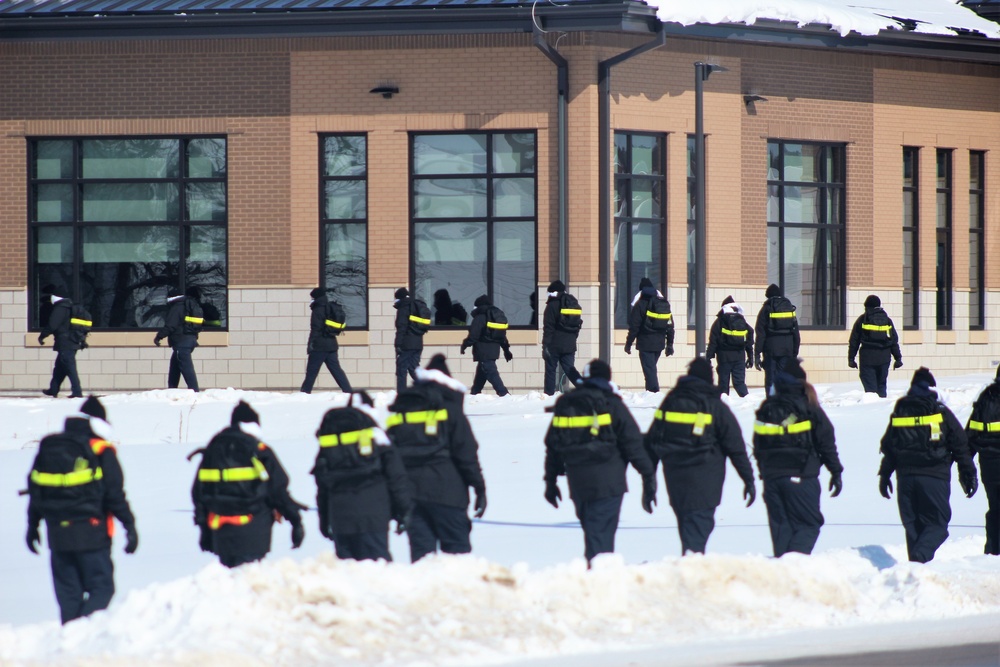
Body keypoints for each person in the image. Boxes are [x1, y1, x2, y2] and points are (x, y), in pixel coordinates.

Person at [25, 396, 138, 624]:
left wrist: (32, 526)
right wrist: (129, 526)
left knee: (69, 596)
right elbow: (114, 494)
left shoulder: (53, 448)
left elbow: (37, 489)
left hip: (56, 533)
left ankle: (69, 644)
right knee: (102, 588)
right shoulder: (100, 450)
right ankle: (83, 636)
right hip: (92, 532)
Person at [543, 359, 657, 563]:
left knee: (593, 532)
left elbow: (553, 445)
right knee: (600, 537)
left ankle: (596, 575)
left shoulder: (567, 403)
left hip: (578, 482)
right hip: (609, 483)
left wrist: (550, 482)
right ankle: (599, 578)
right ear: (607, 378)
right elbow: (633, 445)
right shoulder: (612, 404)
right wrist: (648, 478)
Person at [645, 358, 756, 554]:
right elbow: (735, 447)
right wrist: (748, 479)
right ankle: (692, 571)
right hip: (706, 480)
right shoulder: (714, 406)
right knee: (696, 533)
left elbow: (652, 442)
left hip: (675, 478)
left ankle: (690, 566)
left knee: (687, 527)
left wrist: (649, 482)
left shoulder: (670, 402)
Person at [386, 354, 487, 562]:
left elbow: (389, 459)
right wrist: (479, 488)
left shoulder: (401, 411)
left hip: (412, 496)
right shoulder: (451, 410)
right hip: (449, 494)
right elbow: (466, 454)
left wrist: (396, 500)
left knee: (422, 560)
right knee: (457, 559)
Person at [878, 367, 978, 563]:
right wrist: (968, 474)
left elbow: (890, 445)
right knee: (937, 525)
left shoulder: (900, 410)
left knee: (913, 527)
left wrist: (884, 475)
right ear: (932, 389)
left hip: (905, 479)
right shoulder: (940, 411)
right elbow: (960, 445)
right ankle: (919, 560)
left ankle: (916, 572)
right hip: (935, 477)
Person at [191, 401, 305, 568]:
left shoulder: (214, 449)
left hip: (221, 534)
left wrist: (204, 529)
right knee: (250, 584)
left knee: (230, 585)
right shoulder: (258, 449)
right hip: (255, 533)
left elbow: (198, 493)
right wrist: (295, 521)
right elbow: (278, 490)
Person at [752, 358, 843, 557]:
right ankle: (794, 566)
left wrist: (765, 472)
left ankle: (784, 572)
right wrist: (835, 471)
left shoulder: (766, 408)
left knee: (781, 528)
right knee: (809, 524)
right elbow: (826, 442)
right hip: (801, 475)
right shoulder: (809, 406)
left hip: (772, 478)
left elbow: (758, 445)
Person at [312, 391, 413, 561]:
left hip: (340, 516)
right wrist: (404, 510)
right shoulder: (377, 437)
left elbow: (322, 482)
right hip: (373, 516)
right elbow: (396, 477)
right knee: (375, 571)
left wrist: (324, 518)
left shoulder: (333, 438)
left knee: (347, 575)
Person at [967, 364, 1000, 555]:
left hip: (989, 464)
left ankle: (992, 550)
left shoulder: (986, 397)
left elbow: (971, 432)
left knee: (994, 508)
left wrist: (965, 464)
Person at [623, 277, 674, 393]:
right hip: (659, 344)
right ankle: (650, 392)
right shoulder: (662, 304)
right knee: (650, 369)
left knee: (649, 370)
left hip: (645, 344)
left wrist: (628, 343)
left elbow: (634, 327)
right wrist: (670, 344)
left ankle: (653, 393)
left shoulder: (640, 305)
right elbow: (670, 326)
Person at [847, 294, 903, 398]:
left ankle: (872, 408)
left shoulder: (862, 319)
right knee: (881, 385)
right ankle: (881, 407)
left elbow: (854, 340)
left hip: (868, 357)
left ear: (867, 306)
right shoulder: (887, 320)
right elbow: (894, 340)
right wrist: (898, 358)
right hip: (884, 357)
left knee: (870, 389)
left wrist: (851, 358)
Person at [300, 287, 352, 394]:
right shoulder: (329, 307)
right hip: (332, 344)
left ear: (316, 298)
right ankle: (348, 391)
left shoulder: (317, 310)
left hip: (319, 346)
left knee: (312, 371)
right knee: (337, 370)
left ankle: (304, 392)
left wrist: (311, 344)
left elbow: (316, 329)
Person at [461, 294, 513, 396]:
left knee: (491, 372)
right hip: (494, 350)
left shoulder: (480, 317)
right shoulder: (494, 317)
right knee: (481, 373)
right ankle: (475, 393)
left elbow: (474, 335)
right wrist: (506, 350)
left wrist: (465, 344)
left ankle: (503, 393)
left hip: (483, 350)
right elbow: (502, 337)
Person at [38, 285, 85, 399]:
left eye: (52, 296)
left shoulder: (61, 308)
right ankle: (53, 389)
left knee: (69, 367)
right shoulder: (68, 306)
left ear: (56, 297)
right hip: (69, 341)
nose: (51, 298)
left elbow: (53, 324)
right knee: (59, 367)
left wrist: (43, 335)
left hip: (65, 342)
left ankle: (77, 392)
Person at [154, 286, 203, 392]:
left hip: (181, 342)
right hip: (190, 339)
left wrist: (159, 336)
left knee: (186, 368)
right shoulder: (187, 305)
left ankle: (195, 391)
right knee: (175, 367)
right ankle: (172, 390)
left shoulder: (177, 307)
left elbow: (170, 325)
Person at [754, 284, 800, 396]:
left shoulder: (766, 308)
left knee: (770, 378)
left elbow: (760, 333)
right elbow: (795, 332)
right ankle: (783, 401)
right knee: (783, 377)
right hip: (787, 348)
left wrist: (757, 354)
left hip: (771, 349)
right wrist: (794, 352)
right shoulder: (789, 307)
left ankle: (771, 402)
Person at [706, 295, 755, 397]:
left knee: (723, 384)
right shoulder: (741, 320)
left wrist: (708, 357)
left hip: (724, 357)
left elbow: (713, 341)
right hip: (740, 356)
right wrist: (750, 356)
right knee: (739, 383)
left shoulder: (720, 321)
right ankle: (747, 401)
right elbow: (749, 336)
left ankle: (723, 406)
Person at [542, 280, 583, 395]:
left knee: (550, 370)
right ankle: (585, 388)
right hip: (570, 344)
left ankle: (549, 394)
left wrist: (545, 346)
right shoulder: (572, 304)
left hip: (554, 344)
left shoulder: (551, 306)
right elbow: (577, 325)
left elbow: (548, 328)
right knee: (570, 369)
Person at [393, 287, 430, 393]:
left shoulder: (404, 308)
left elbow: (401, 327)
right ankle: (427, 389)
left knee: (401, 369)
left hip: (406, 344)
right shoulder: (415, 306)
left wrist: (398, 344)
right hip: (418, 343)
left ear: (400, 298)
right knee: (414, 368)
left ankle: (402, 394)